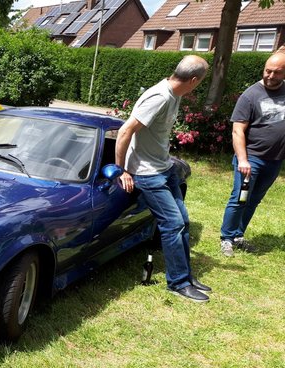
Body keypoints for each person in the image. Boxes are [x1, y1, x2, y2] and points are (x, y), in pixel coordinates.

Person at [115, 55, 211, 303]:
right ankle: (178, 283)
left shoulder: (174, 94)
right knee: (172, 224)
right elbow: (125, 131)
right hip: (147, 173)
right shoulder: (158, 97)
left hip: (164, 168)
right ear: (193, 80)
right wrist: (122, 170)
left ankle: (186, 276)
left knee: (183, 222)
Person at [219, 51, 285, 257]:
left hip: (275, 160)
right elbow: (237, 130)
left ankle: (238, 235)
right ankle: (226, 238)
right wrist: (243, 159)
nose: (270, 76)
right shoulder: (250, 95)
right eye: (268, 71)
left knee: (254, 199)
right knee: (240, 198)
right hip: (251, 159)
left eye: (277, 72)